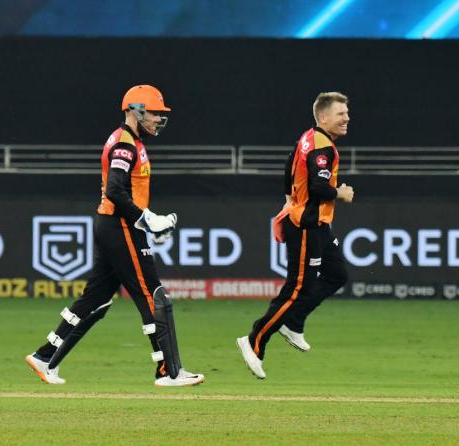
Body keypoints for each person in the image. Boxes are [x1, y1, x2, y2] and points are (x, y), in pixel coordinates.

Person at [25, 85, 204, 387]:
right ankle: (169, 371)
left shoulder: (128, 141)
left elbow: (123, 191)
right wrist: (148, 220)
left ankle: (45, 356)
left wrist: (148, 221)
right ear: (135, 110)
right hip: (120, 225)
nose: (159, 120)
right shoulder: (125, 144)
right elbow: (115, 190)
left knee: (95, 299)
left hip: (113, 224)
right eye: (155, 113)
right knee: (153, 295)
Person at [237, 92, 354, 379]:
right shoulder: (321, 147)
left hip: (317, 225)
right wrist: (340, 193)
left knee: (337, 274)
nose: (347, 118)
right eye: (341, 114)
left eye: (347, 113)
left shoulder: (308, 138)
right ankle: (254, 339)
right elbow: (317, 187)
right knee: (296, 288)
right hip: (305, 226)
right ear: (323, 117)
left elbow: (288, 168)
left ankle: (294, 323)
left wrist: (291, 197)